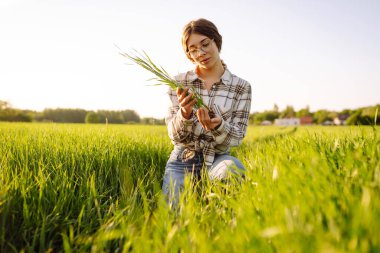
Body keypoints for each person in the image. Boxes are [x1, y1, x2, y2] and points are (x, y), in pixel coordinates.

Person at [162, 18, 252, 205]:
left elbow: (237, 137)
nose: (200, 53)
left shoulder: (241, 87)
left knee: (232, 171)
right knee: (175, 217)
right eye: (193, 49)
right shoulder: (179, 83)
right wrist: (184, 113)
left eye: (205, 44)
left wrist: (218, 126)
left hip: (219, 158)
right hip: (183, 158)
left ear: (216, 41)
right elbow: (174, 137)